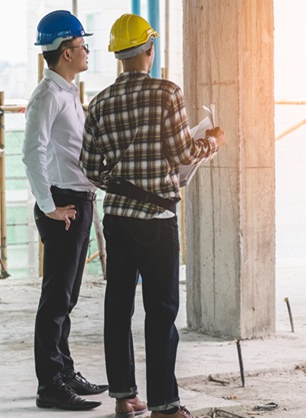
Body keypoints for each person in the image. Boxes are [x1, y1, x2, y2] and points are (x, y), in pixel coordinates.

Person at [81, 13, 225, 418]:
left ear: (117, 56)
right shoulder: (167, 93)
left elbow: (90, 168)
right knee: (161, 309)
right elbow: (182, 153)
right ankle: (164, 403)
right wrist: (212, 142)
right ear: (150, 50)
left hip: (117, 220)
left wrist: (122, 179)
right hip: (157, 222)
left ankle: (125, 398)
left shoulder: (100, 102)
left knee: (118, 306)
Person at [22, 10, 107, 411]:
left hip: (78, 200)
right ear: (66, 52)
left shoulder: (67, 92)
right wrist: (49, 205)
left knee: (67, 296)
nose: (87, 51)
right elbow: (31, 153)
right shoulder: (47, 97)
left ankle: (64, 370)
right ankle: (50, 385)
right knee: (56, 298)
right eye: (82, 45)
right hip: (64, 204)